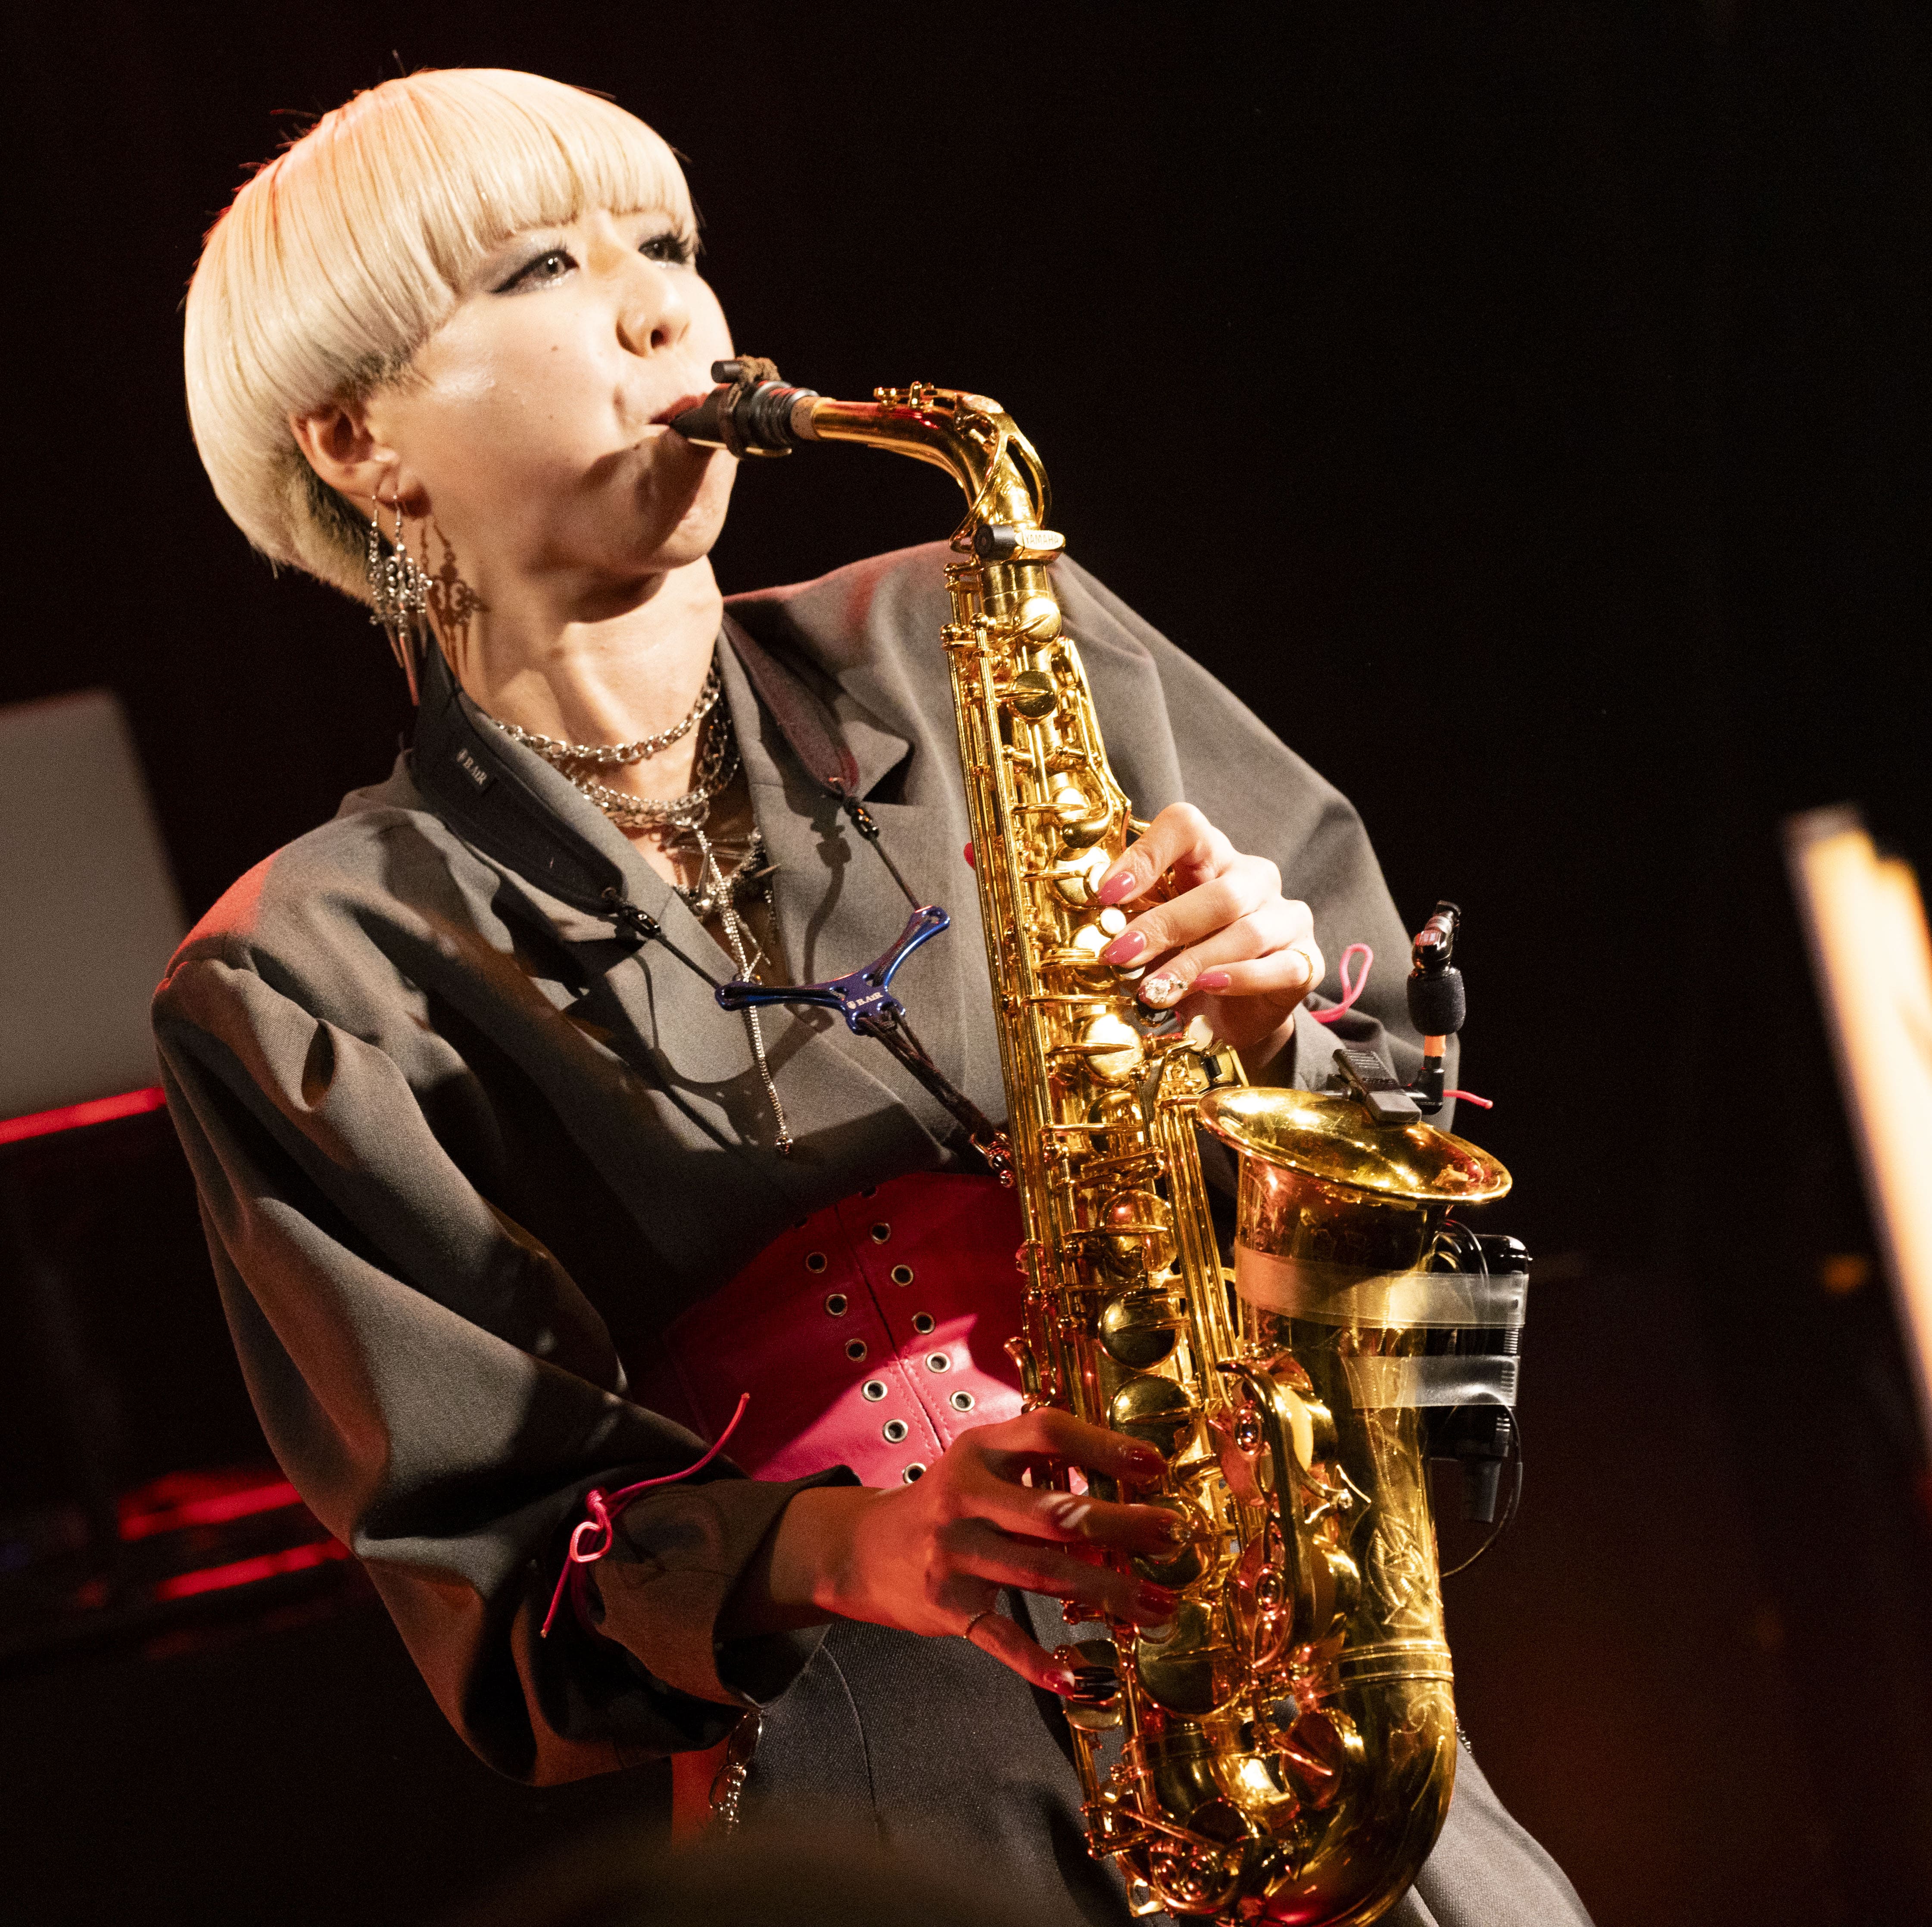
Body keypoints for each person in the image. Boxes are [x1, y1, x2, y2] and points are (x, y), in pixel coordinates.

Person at [155, 69, 1590, 1926]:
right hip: (881, 1813)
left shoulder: (976, 630)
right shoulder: (304, 969)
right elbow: (497, 1581)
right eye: (542, 269)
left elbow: (1417, 1200)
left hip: (1298, 1708)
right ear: (360, 443)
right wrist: (852, 1540)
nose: (663, 309)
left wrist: (1271, 1035)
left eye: (666, 243)